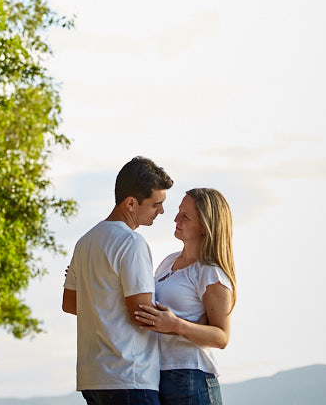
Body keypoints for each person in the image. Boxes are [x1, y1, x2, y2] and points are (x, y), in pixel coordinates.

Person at [62, 156, 174, 405]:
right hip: (129, 378)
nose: (162, 211)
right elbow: (142, 314)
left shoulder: (85, 242)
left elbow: (70, 304)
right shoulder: (132, 243)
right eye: (156, 204)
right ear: (131, 203)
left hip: (93, 379)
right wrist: (185, 323)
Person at [133, 188, 236, 405]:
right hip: (156, 374)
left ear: (205, 228)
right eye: (179, 211)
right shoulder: (168, 262)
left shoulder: (210, 272)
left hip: (190, 377)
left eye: (185, 216)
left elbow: (222, 337)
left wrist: (176, 325)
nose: (175, 218)